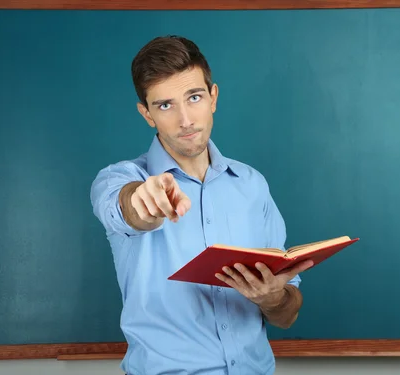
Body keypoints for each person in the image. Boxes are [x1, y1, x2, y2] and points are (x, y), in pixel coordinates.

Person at [90, 35, 313, 375]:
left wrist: (272, 299)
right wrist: (145, 201)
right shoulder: (119, 179)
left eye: (194, 97)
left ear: (213, 98)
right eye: (165, 105)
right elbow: (127, 208)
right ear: (147, 114)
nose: (185, 120)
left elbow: (287, 315)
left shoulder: (253, 185)